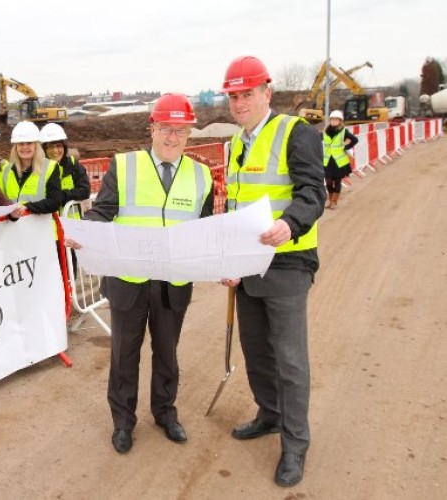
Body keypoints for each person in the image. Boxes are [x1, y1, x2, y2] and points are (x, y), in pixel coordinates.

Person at [66, 93, 214, 454]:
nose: (172, 138)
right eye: (166, 129)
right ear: (152, 128)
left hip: (172, 284)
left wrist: (224, 263)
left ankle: (165, 412)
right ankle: (123, 422)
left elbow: (206, 230)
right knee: (124, 355)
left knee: (167, 353)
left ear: (189, 133)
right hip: (128, 281)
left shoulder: (201, 175)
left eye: (180, 131)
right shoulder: (125, 166)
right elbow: (103, 211)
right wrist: (83, 232)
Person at [219, 55, 325, 487]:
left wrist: (291, 223)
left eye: (247, 94)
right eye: (234, 96)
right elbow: (232, 206)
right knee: (257, 351)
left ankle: (295, 445)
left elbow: (312, 191)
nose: (240, 102)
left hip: (287, 260)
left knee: (290, 359)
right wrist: (227, 258)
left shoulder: (294, 132)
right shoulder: (232, 144)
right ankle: (270, 414)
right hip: (247, 265)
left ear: (267, 93)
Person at [0, 121, 65, 216]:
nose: (25, 147)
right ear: (16, 147)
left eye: (29, 143)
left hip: (42, 227)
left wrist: (27, 207)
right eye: (21, 144)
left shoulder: (50, 167)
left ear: (36, 146)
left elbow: (55, 202)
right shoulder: (5, 170)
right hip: (13, 227)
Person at [40, 123, 90, 215]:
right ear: (44, 149)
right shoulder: (38, 168)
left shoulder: (73, 165)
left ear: (64, 147)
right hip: (47, 223)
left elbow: (85, 191)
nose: (55, 151)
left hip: (72, 224)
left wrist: (63, 196)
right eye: (50, 146)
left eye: (59, 146)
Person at [322, 110, 357, 209]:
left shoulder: (343, 131)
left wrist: (346, 147)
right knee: (328, 182)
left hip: (339, 162)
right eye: (332, 119)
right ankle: (330, 198)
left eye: (336, 119)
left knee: (337, 182)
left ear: (340, 121)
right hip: (327, 161)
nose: (333, 121)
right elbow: (319, 139)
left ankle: (334, 201)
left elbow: (355, 140)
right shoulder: (325, 131)